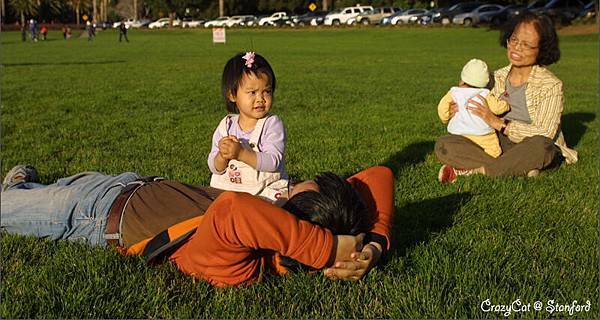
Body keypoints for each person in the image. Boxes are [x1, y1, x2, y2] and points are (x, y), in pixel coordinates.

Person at [0, 164, 393, 287]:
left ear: (295, 224)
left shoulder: (241, 262)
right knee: (25, 191)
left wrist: (324, 250)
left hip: (87, 214)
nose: (278, 193)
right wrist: (372, 245)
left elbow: (235, 212)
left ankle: (18, 187)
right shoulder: (276, 224)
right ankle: (22, 184)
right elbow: (379, 175)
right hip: (122, 182)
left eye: (287, 196)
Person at [436, 12, 578, 183]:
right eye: (514, 40)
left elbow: (545, 133)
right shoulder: (495, 77)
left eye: (526, 45)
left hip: (530, 144)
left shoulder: (551, 85)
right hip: (496, 142)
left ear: (542, 49)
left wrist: (497, 123)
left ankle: (477, 170)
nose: (517, 48)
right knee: (444, 144)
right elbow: (469, 96)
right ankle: (517, 168)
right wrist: (456, 108)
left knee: (543, 147)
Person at [208, 52, 288, 201]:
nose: (260, 99)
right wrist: (221, 156)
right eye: (252, 92)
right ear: (232, 95)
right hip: (229, 191)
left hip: (264, 192)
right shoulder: (226, 125)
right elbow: (214, 167)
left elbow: (273, 161)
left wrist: (241, 154)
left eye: (267, 91)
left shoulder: (272, 124)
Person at [437, 58, 510, 159]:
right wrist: (506, 105)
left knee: (454, 146)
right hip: (482, 133)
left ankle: (466, 161)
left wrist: (445, 117)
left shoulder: (455, 92)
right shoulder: (484, 94)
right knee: (494, 151)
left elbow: (442, 106)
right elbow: (496, 108)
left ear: (462, 80)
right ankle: (488, 163)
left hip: (459, 132)